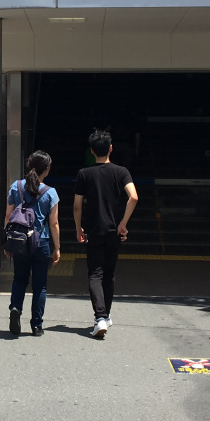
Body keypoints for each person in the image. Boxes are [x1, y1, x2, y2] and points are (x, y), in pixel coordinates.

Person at [73, 129, 138, 340]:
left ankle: (100, 317)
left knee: (95, 274)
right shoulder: (121, 172)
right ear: (111, 148)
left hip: (93, 229)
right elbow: (134, 197)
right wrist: (123, 223)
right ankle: (106, 315)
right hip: (113, 231)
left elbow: (76, 206)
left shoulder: (84, 174)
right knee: (109, 274)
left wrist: (77, 227)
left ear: (92, 151)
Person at [5, 150, 60, 337]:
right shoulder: (50, 192)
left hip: (19, 241)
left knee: (19, 279)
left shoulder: (16, 187)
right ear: (46, 169)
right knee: (40, 286)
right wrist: (57, 248)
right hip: (41, 242)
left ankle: (16, 309)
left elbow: (8, 215)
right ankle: (36, 325)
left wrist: (8, 242)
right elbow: (54, 223)